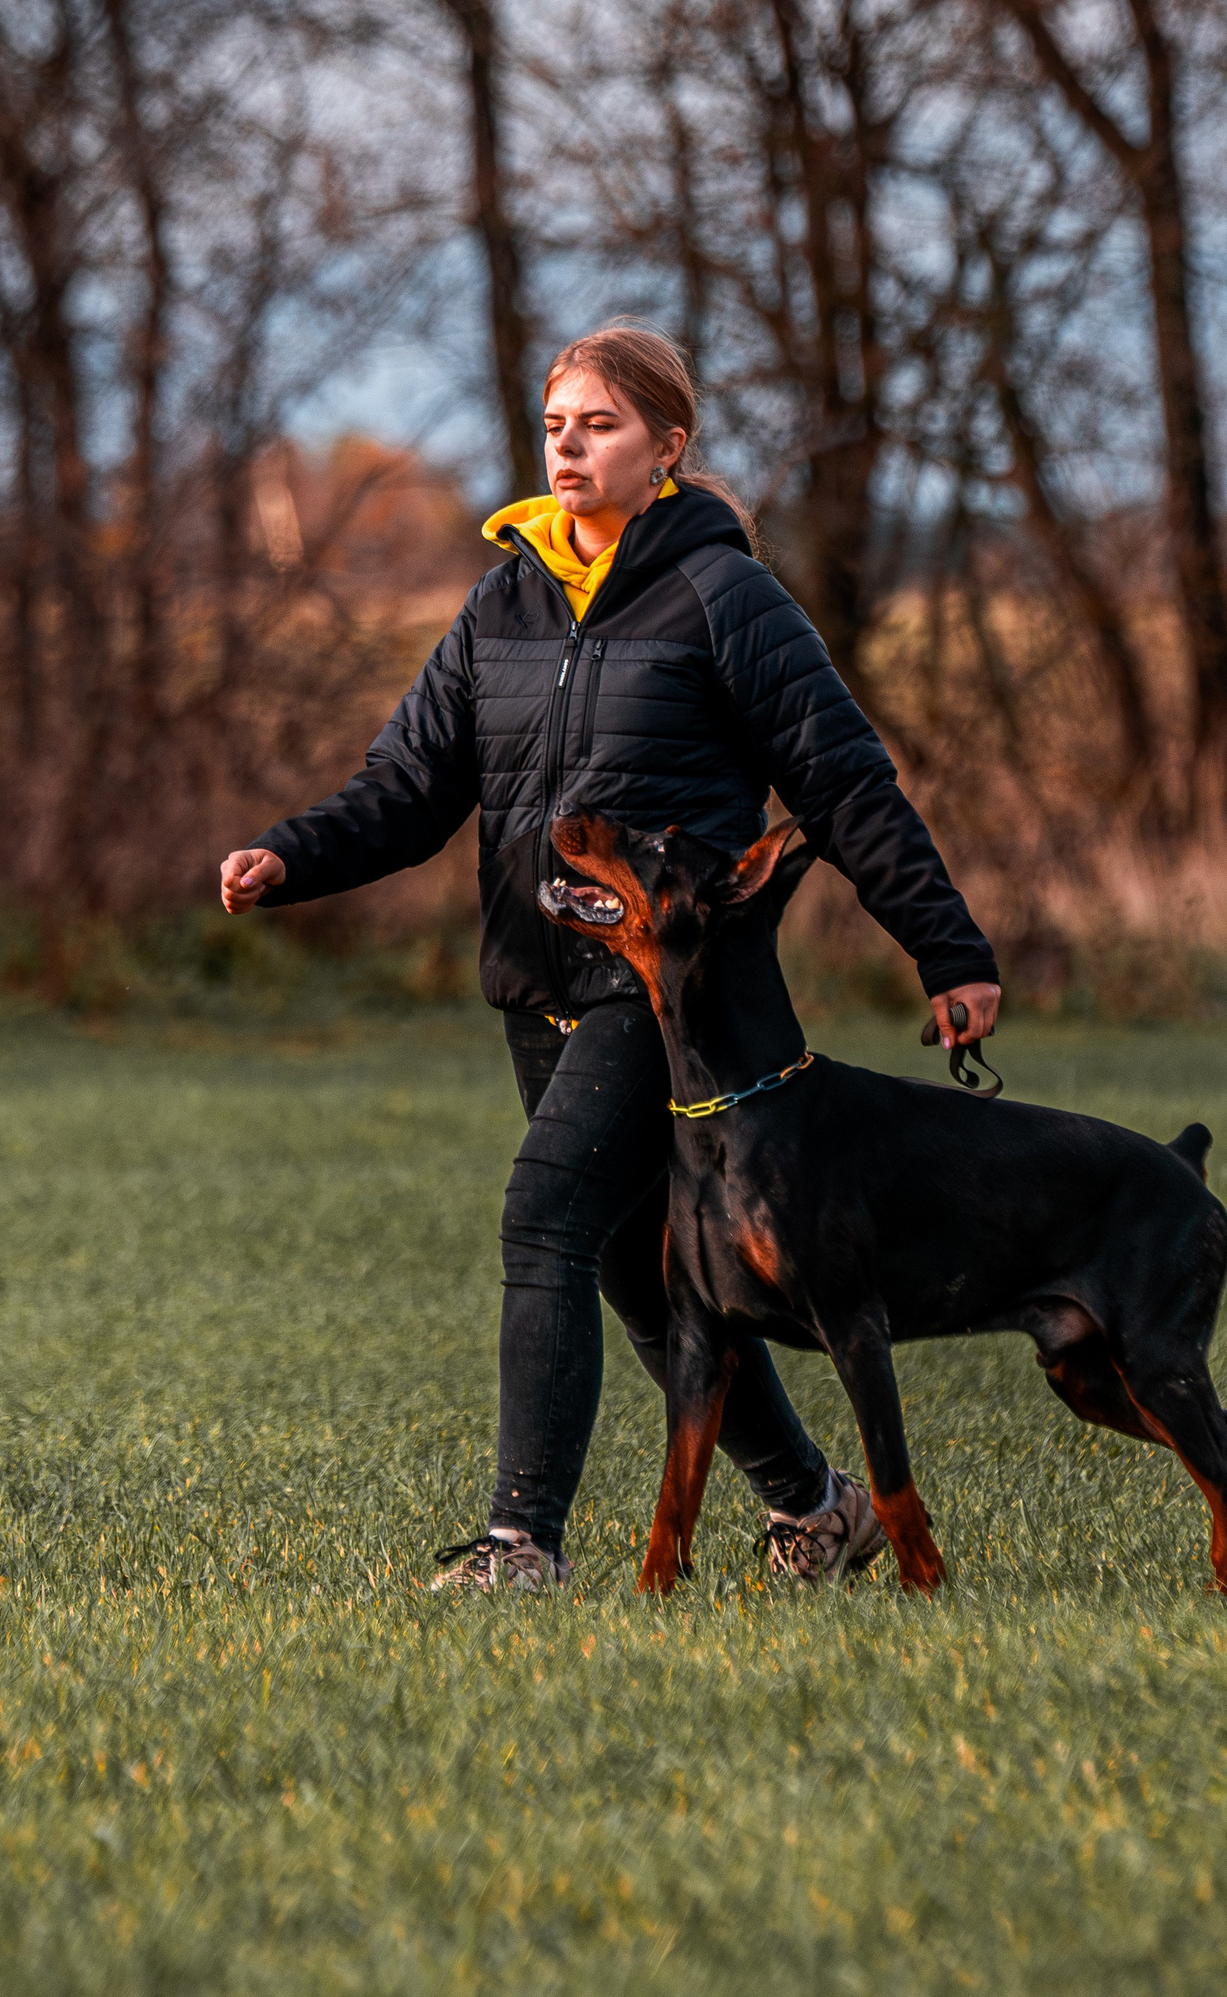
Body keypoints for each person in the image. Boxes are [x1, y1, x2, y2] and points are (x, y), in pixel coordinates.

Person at [220, 325, 999, 1592]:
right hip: (539, 983)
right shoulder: (504, 596)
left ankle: (520, 1542)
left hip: (667, 990)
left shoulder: (725, 596)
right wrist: (292, 856)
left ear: (667, 448)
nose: (571, 446)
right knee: (639, 1270)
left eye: (601, 425)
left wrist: (947, 951)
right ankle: (817, 1504)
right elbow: (412, 784)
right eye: (555, 425)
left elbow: (846, 784)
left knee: (543, 1212)